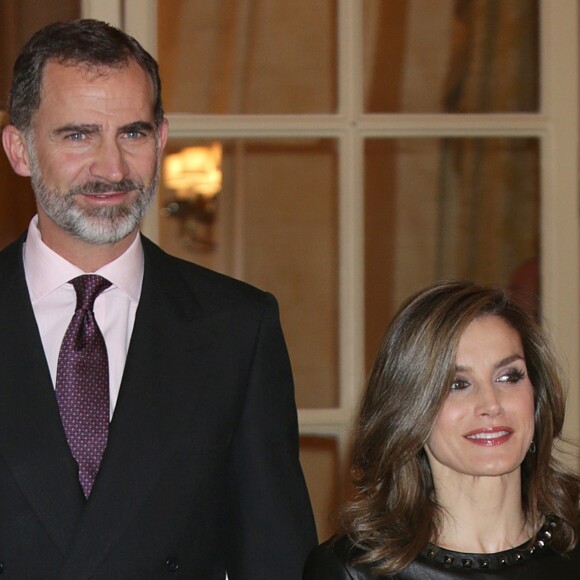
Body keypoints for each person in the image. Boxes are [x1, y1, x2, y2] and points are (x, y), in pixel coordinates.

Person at [0, 19, 316, 579]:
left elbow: (276, 559)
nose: (112, 168)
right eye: (78, 135)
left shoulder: (238, 328)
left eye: (133, 133)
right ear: (19, 148)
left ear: (162, 138)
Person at [304, 279, 579, 578]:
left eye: (508, 377)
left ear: (537, 395)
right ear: (410, 408)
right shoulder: (353, 570)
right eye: (457, 384)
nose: (491, 404)